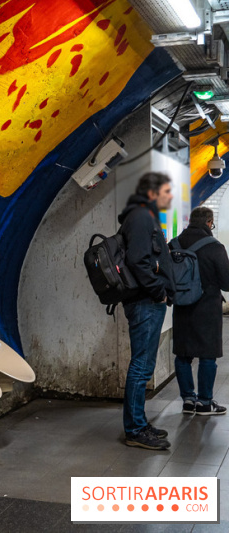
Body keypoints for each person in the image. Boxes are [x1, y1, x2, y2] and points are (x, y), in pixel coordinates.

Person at [118, 172, 175, 450]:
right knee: (141, 366)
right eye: (166, 191)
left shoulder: (144, 216)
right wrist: (159, 292)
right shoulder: (141, 217)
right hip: (144, 302)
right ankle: (135, 429)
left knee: (144, 365)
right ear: (152, 193)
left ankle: (138, 422)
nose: (170, 196)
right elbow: (138, 261)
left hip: (147, 301)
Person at [172, 207, 229, 416]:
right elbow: (226, 282)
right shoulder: (215, 247)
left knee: (183, 354)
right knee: (207, 356)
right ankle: (204, 402)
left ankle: (188, 400)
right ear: (208, 222)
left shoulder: (174, 244)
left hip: (182, 306)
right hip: (207, 308)